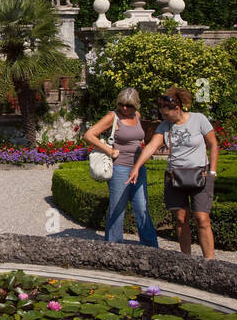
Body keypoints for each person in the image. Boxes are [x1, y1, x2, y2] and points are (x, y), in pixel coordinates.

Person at [127, 85, 220, 260]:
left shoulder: (199, 119)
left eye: (166, 113)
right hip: (175, 177)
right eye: (162, 114)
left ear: (177, 108)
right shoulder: (164, 126)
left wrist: (213, 172)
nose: (164, 117)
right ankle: (186, 259)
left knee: (202, 219)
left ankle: (210, 261)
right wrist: (136, 167)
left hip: (201, 175)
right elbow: (151, 147)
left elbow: (213, 144)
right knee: (180, 219)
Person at [85, 88, 159, 246]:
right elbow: (89, 135)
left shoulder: (137, 116)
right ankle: (113, 246)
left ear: (136, 105)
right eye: (121, 104)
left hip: (138, 168)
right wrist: (109, 150)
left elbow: (139, 138)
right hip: (120, 168)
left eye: (129, 105)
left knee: (141, 207)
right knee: (117, 209)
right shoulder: (113, 117)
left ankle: (151, 247)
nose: (124, 108)